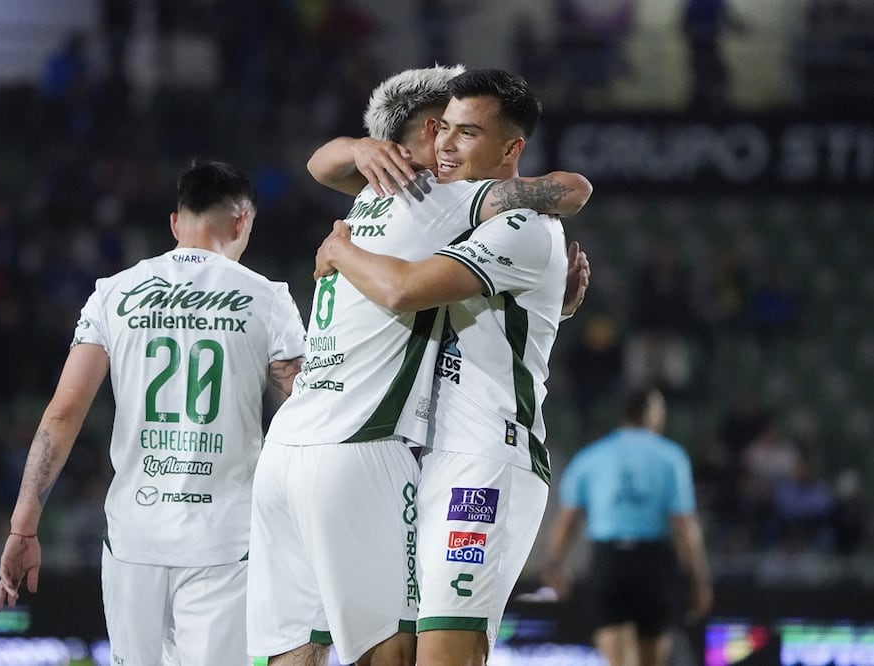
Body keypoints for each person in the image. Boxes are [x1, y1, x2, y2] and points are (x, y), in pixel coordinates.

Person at [248, 66, 591, 666]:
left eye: (467, 133)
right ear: (427, 132)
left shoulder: (514, 220)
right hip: (418, 454)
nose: (450, 146)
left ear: (511, 148)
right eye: (446, 132)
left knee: (433, 652)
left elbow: (406, 289)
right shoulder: (433, 201)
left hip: (486, 455)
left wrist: (341, 248)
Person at [0, 160, 306, 666]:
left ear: (175, 224)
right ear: (242, 222)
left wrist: (23, 525)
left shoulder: (113, 294)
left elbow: (62, 414)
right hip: (225, 539)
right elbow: (304, 414)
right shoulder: (268, 299)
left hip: (133, 536)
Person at [543, 387, 713, 666]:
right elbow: (684, 525)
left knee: (618, 661)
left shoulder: (590, 457)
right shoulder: (671, 457)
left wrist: (554, 564)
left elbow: (568, 518)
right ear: (651, 413)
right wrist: (699, 580)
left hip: (610, 563)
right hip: (653, 565)